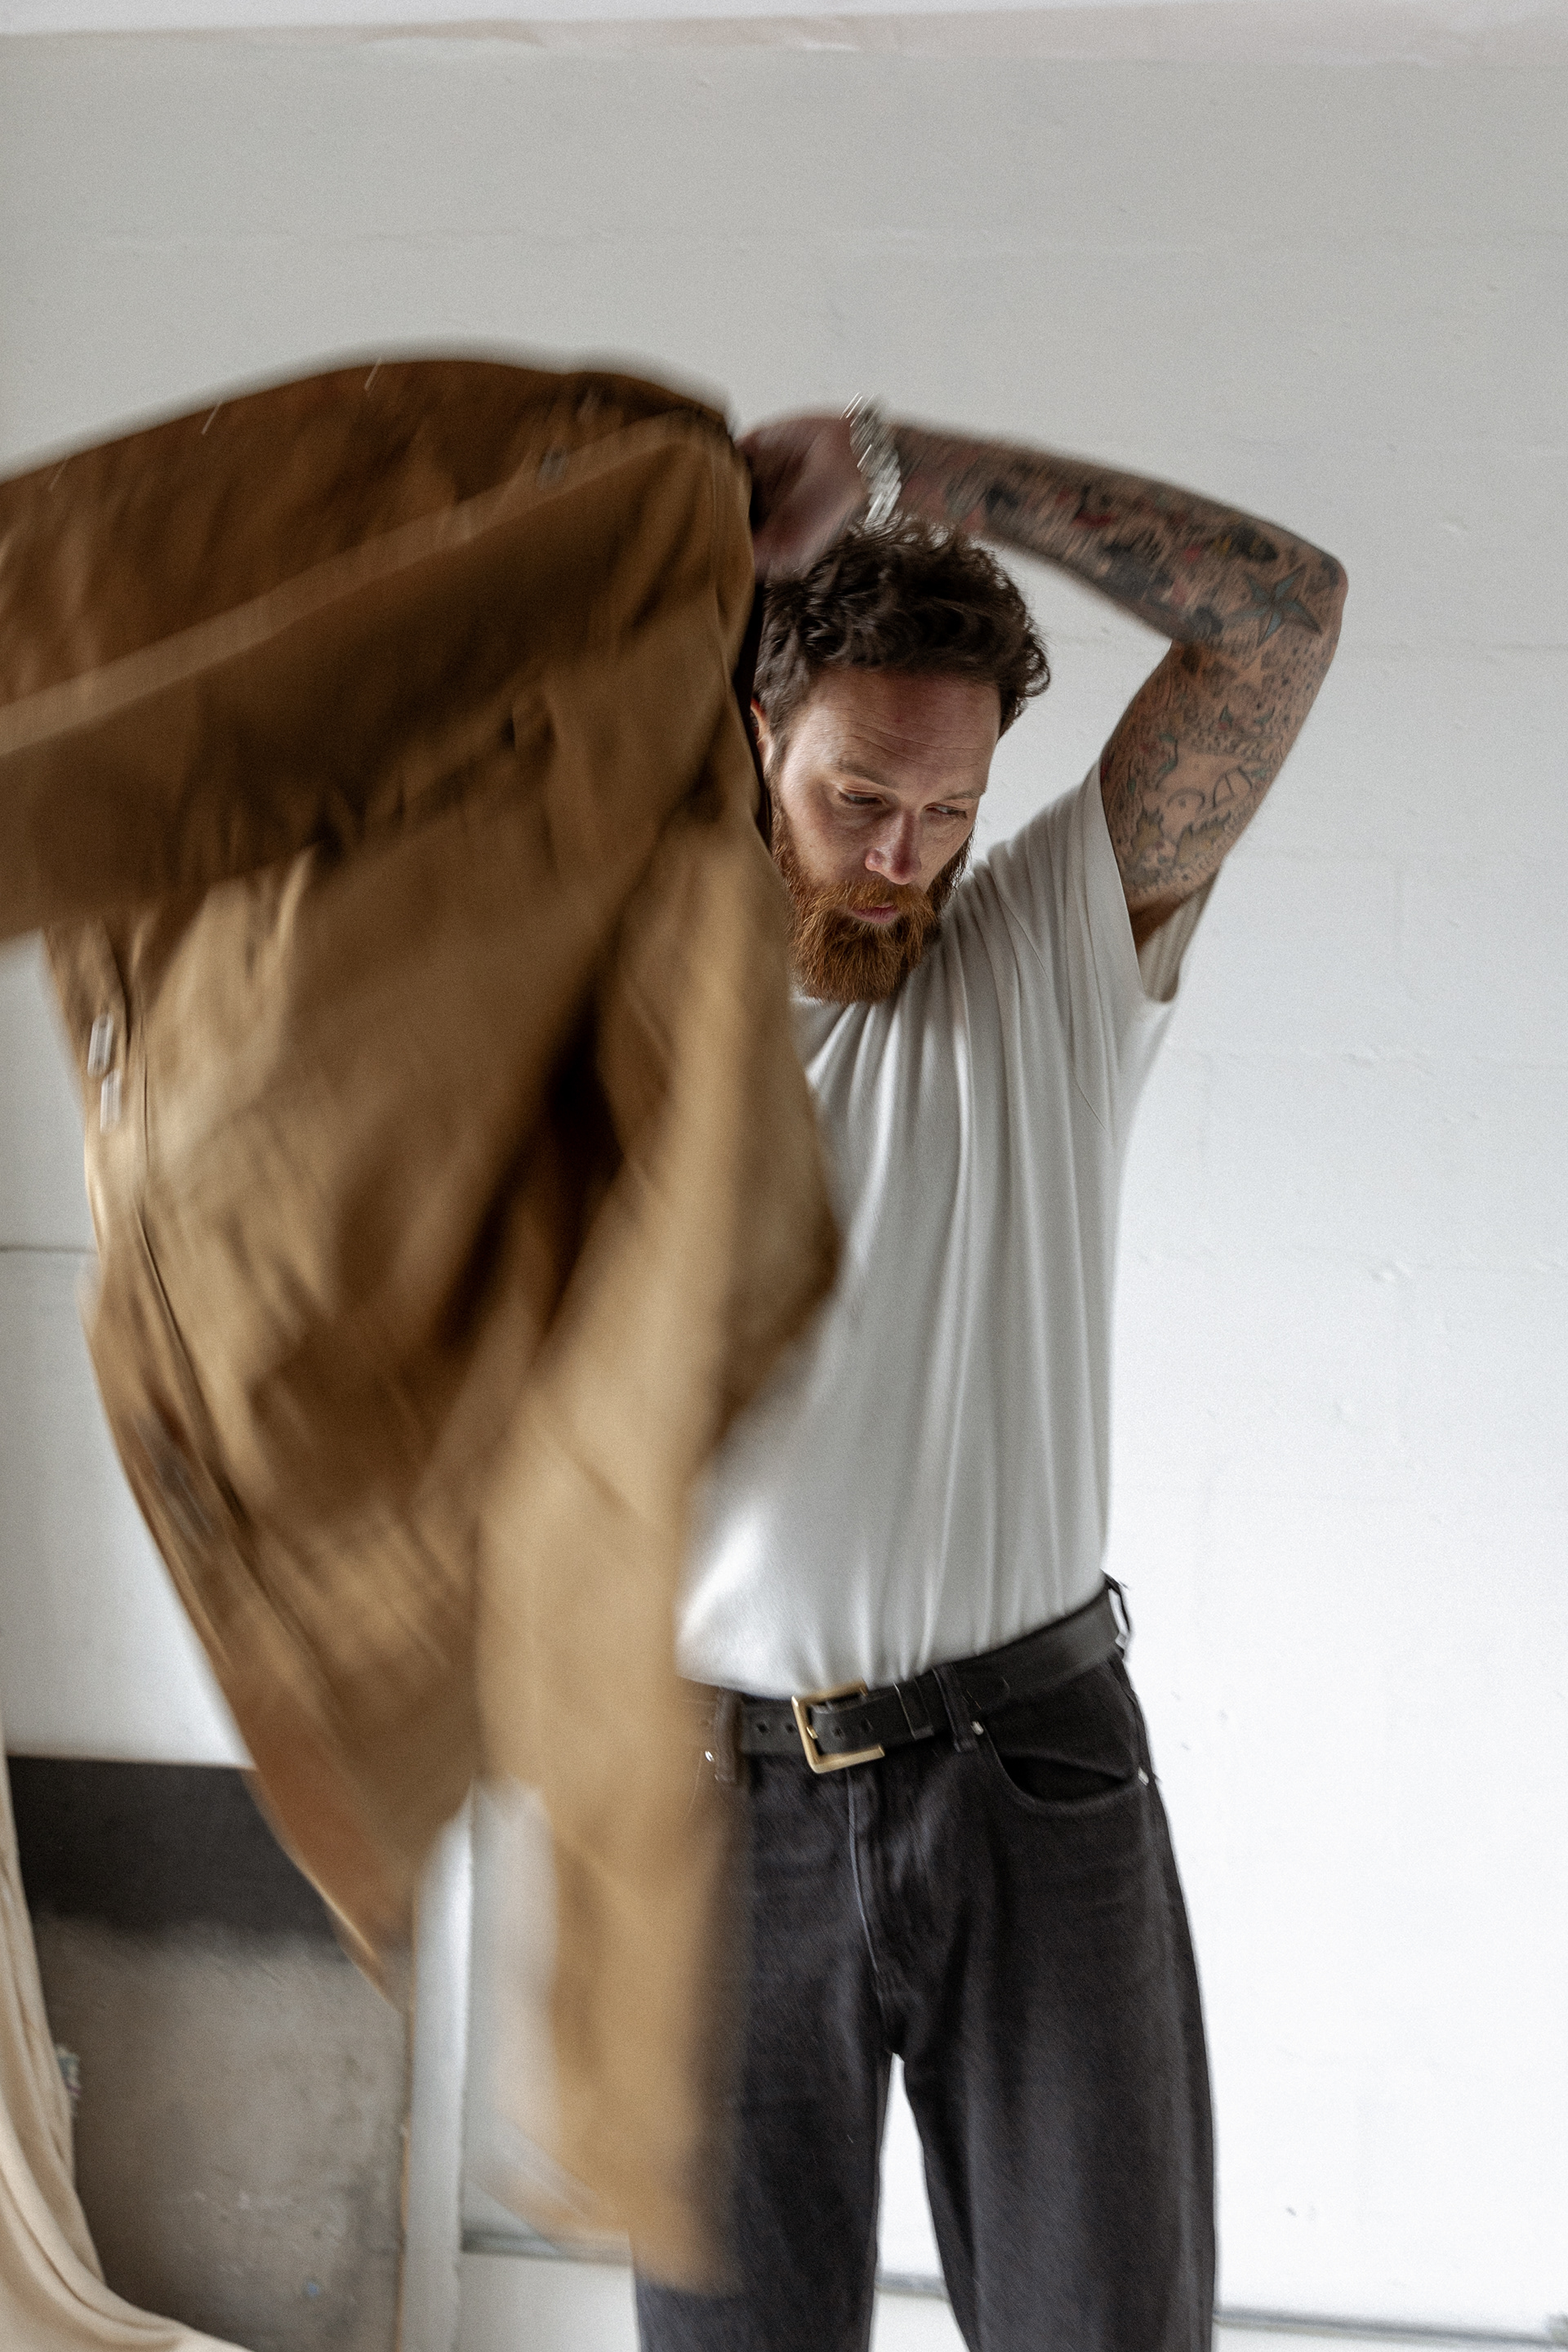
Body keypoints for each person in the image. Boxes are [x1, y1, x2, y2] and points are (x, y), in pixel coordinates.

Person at [635, 406, 1346, 2352]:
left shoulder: (1043, 952)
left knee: (1107, 2326)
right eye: (860, 795)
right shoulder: (619, 991)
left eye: (947, 810)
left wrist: (914, 467)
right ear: (755, 738)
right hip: (704, 1801)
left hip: (1033, 1772)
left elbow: (1283, 622)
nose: (902, 859)